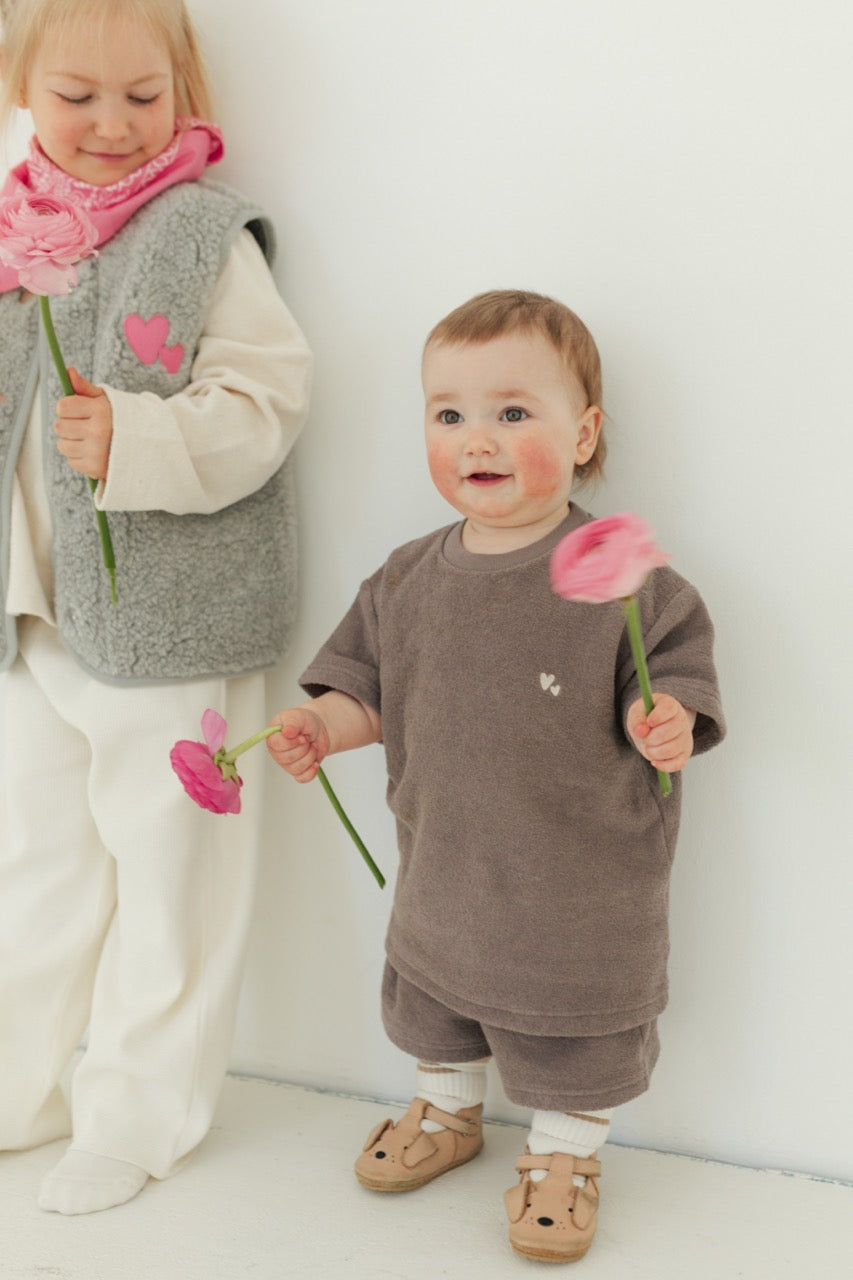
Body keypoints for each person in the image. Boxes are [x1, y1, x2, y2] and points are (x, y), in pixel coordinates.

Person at [267, 290, 724, 1264]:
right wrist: (319, 723)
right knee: (437, 991)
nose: (477, 436)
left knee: (573, 1022)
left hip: (577, 880)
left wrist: (667, 719)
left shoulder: (629, 582)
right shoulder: (405, 577)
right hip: (447, 863)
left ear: (584, 430)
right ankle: (448, 1107)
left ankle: (563, 1152)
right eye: (448, 413)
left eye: (513, 411)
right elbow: (368, 692)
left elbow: (675, 678)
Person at [0, 0, 312, 1215]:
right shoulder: (19, 229)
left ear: (184, 93)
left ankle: (138, 1112)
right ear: (24, 95)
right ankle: (20, 1084)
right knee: (35, 871)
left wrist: (138, 433)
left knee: (172, 878)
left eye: (145, 97)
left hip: (169, 622)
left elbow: (268, 399)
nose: (114, 125)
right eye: (79, 97)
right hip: (38, 618)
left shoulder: (199, 235)